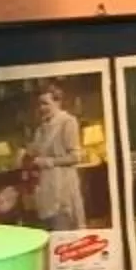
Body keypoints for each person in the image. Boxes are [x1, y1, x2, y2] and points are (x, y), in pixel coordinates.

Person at [27, 84, 85, 232]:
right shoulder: (41, 128)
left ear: (57, 102)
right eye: (40, 104)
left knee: (63, 231)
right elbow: (35, 151)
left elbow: (75, 156)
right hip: (46, 188)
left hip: (62, 187)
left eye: (46, 103)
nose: (42, 108)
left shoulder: (67, 122)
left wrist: (49, 162)